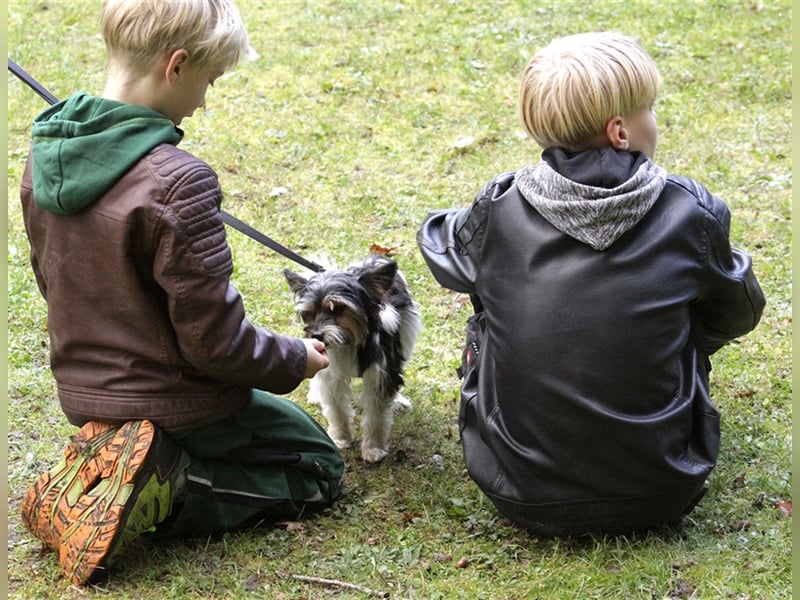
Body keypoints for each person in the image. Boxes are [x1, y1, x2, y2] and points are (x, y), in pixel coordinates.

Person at [18, 0, 344, 585]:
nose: (203, 101)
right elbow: (214, 343)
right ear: (176, 66)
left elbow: (53, 286)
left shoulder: (44, 160)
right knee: (318, 463)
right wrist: (295, 357)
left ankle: (103, 467)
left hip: (84, 392)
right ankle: (168, 481)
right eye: (208, 81)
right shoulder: (179, 180)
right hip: (176, 401)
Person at [417, 31, 765, 537]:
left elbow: (442, 248)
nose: (655, 119)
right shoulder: (691, 210)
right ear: (620, 131)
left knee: (488, 309)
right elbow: (739, 310)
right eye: (649, 107)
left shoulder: (499, 207)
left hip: (518, 490)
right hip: (667, 486)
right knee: (694, 302)